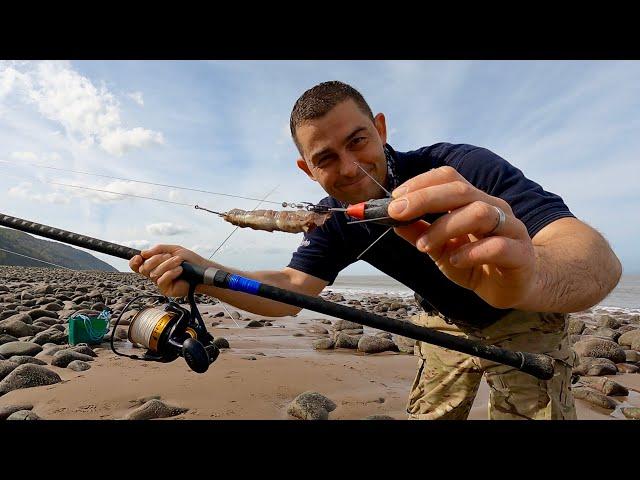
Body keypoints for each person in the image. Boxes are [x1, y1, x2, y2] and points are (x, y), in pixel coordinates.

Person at [130, 80, 622, 420]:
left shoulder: (461, 167)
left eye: (358, 141)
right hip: (439, 321)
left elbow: (591, 255)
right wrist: (205, 271)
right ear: (307, 170)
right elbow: (291, 289)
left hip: (525, 320)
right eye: (325, 158)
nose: (348, 167)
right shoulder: (333, 218)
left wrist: (530, 276)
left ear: (381, 129)